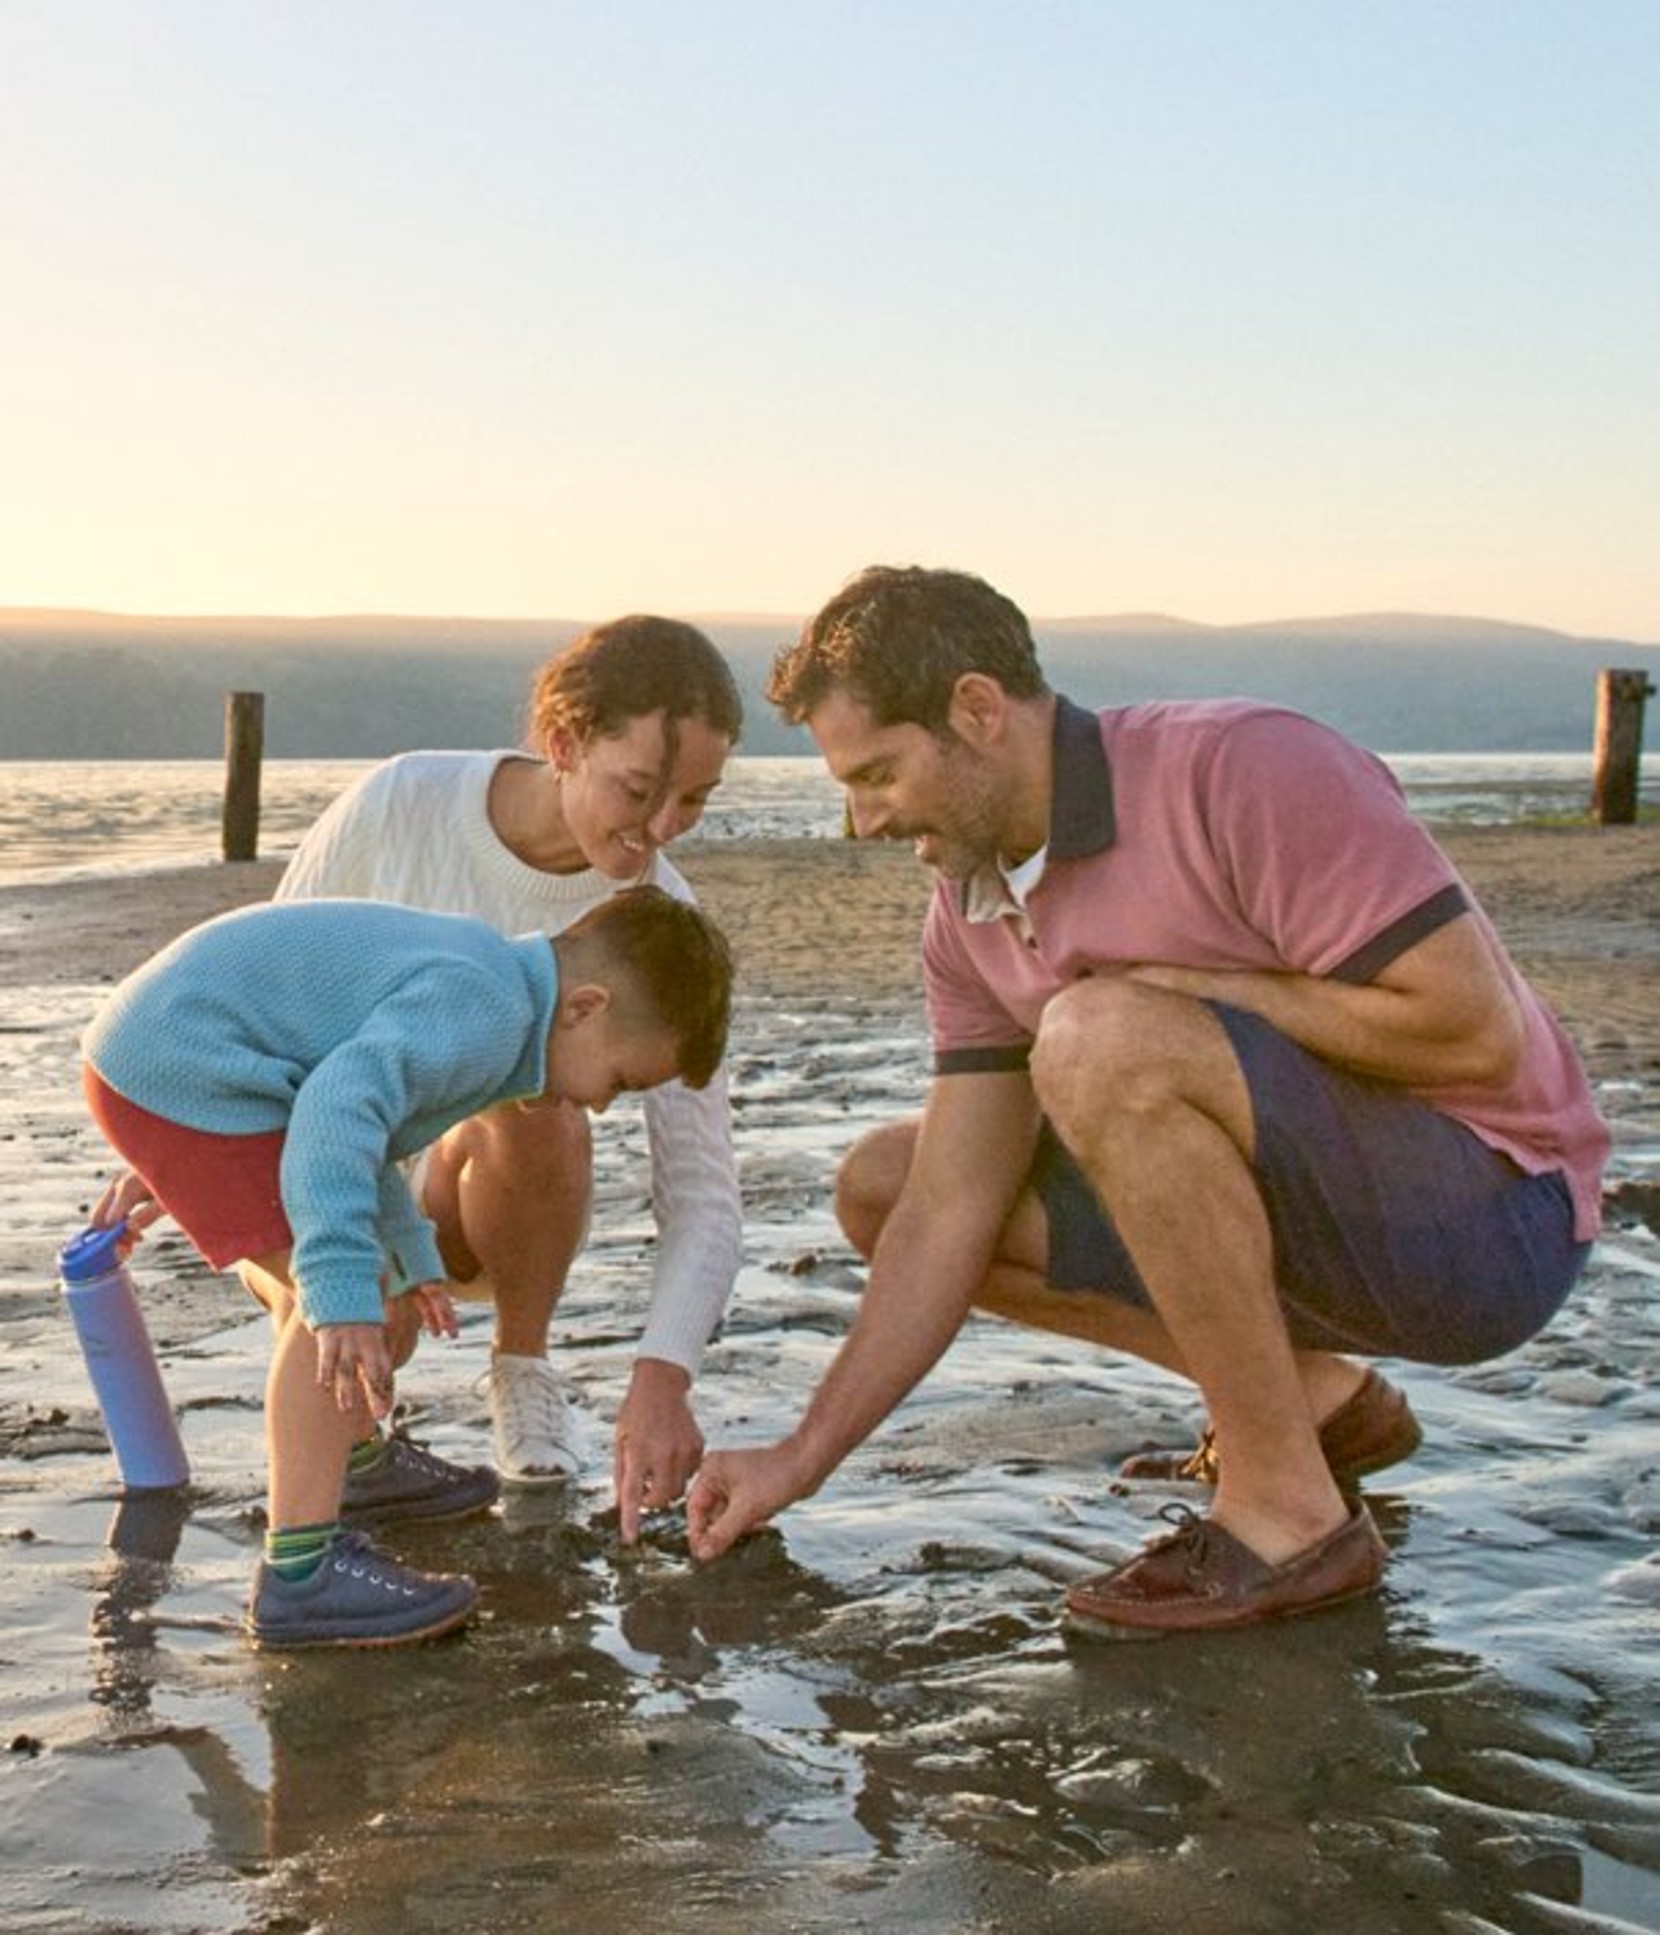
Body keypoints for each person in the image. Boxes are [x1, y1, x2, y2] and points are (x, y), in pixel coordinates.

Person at [686, 565, 1610, 1637]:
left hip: (1492, 1220)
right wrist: (802, 1457)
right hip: (1307, 1234)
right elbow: (949, 1209)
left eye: (880, 773)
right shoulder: (968, 919)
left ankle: (1285, 1513)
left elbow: (1472, 1031)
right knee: (889, 1189)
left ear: (976, 711)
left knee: (1097, 1034)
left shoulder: (1243, 767)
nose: (861, 820)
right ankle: (1306, 1404)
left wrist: (1215, 994)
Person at [83, 885, 733, 1649]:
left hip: (183, 1054)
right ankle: (299, 1575)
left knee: (368, 1289)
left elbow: (374, 1131)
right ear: (586, 1008)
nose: (599, 1105)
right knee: (327, 1304)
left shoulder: (498, 994)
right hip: (184, 1066)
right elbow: (336, 1109)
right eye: (619, 1080)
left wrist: (410, 1252)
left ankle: (356, 1462)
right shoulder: (486, 1010)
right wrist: (340, 1284)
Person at [277, 616, 745, 1536]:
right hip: (321, 1173)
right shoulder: (402, 805)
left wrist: (662, 1377)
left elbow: (704, 1189)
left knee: (534, 1098)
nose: (659, 831)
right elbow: (272, 998)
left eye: (693, 802)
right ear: (564, 742)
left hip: (480, 1205)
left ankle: (521, 1370)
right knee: (356, 1292)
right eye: (640, 789)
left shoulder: (659, 920)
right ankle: (342, 1463)